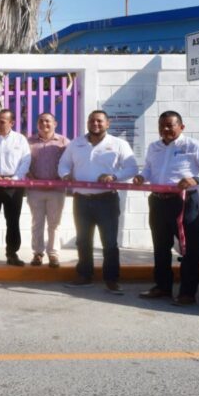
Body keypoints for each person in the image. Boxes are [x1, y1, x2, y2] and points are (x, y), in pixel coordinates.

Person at [135, 111, 199, 306]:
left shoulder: (194, 146)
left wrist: (195, 179)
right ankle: (162, 287)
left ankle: (187, 293)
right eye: (161, 126)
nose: (165, 130)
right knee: (160, 246)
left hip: (184, 202)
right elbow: (148, 169)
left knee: (189, 249)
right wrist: (142, 177)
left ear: (181, 127)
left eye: (170, 125)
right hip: (158, 202)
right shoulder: (154, 147)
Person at [58, 110, 138, 293]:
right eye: (92, 120)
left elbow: (132, 168)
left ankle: (111, 280)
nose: (95, 124)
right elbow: (63, 163)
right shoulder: (76, 143)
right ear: (87, 122)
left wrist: (114, 176)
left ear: (107, 124)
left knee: (109, 243)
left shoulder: (119, 144)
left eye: (100, 121)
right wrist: (65, 175)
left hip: (106, 200)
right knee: (83, 240)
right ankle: (84, 276)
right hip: (81, 200)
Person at [0, 109, 31, 266]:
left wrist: (15, 179)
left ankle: (12, 253)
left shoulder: (20, 140)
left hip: (13, 185)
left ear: (12, 123)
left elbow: (26, 161)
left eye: (2, 121)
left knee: (13, 220)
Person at [26, 113, 69, 268]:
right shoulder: (28, 142)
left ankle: (53, 254)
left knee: (54, 223)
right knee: (37, 222)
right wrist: (31, 178)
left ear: (55, 123)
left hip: (56, 190)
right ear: (37, 124)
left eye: (48, 121)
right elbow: (24, 163)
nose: (44, 124)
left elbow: (70, 163)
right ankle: (37, 253)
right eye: (41, 121)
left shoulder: (64, 142)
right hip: (35, 189)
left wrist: (61, 180)